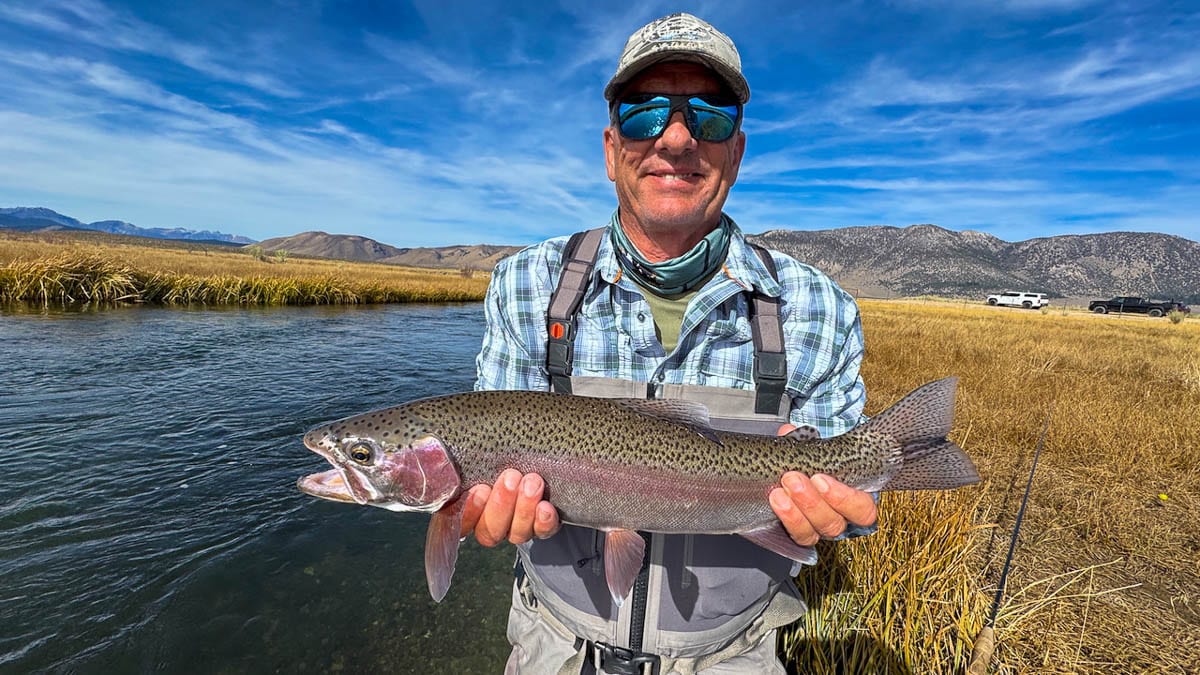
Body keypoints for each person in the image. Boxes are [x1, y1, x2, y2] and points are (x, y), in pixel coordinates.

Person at [469, 13, 878, 674]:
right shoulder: (525, 285)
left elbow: (854, 502)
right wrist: (483, 513)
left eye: (709, 115)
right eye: (645, 112)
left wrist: (843, 511)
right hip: (551, 643)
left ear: (737, 152)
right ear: (610, 149)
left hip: (734, 654)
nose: (678, 138)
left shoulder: (818, 309)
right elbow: (487, 473)